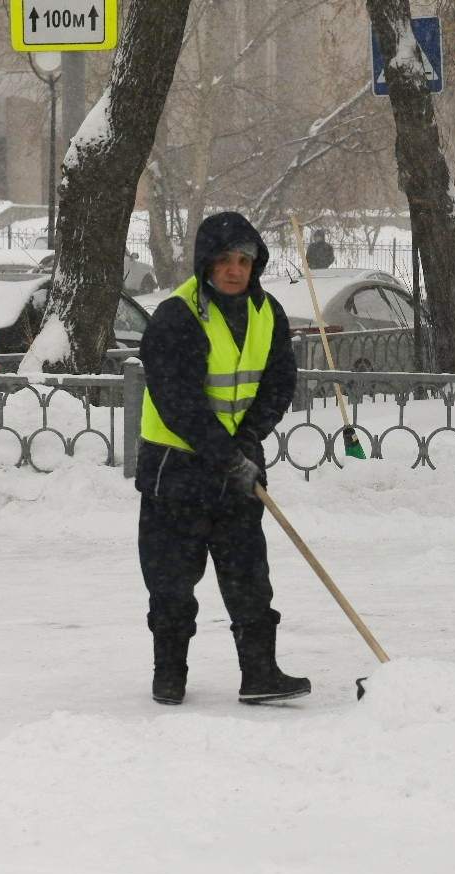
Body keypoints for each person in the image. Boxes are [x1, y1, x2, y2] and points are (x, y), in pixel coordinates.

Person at [136, 210, 310, 706]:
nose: (235, 270)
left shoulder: (267, 313)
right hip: (176, 472)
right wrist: (225, 456)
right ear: (205, 263)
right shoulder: (177, 316)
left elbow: (279, 384)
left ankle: (260, 673)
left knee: (249, 577)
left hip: (235, 472)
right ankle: (169, 676)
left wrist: (248, 442)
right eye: (224, 260)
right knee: (171, 581)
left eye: (245, 260)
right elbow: (178, 402)